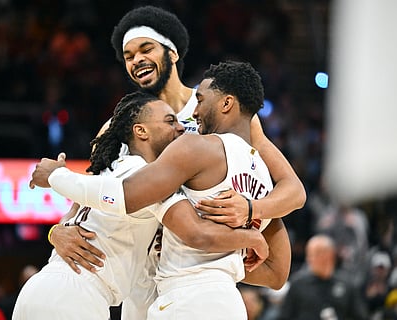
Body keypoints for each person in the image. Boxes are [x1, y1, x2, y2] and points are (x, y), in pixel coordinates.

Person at [48, 5, 305, 275]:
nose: (136, 60)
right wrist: (58, 231)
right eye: (128, 56)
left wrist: (252, 209)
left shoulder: (219, 110)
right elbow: (84, 202)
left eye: (146, 50)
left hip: (191, 267)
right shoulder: (116, 127)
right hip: (138, 270)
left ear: (172, 52)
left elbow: (293, 192)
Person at [30, 60, 295, 319]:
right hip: (227, 299)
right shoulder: (267, 183)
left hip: (184, 299)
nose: (191, 114)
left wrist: (57, 177)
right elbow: (277, 272)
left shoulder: (194, 148)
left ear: (226, 103)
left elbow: (126, 195)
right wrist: (238, 249)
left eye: (200, 100)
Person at [277, 234, 369, 320]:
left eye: (315, 254)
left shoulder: (347, 285)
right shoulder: (298, 284)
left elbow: (360, 316)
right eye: (309, 254)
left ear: (330, 255)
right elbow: (285, 316)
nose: (309, 259)